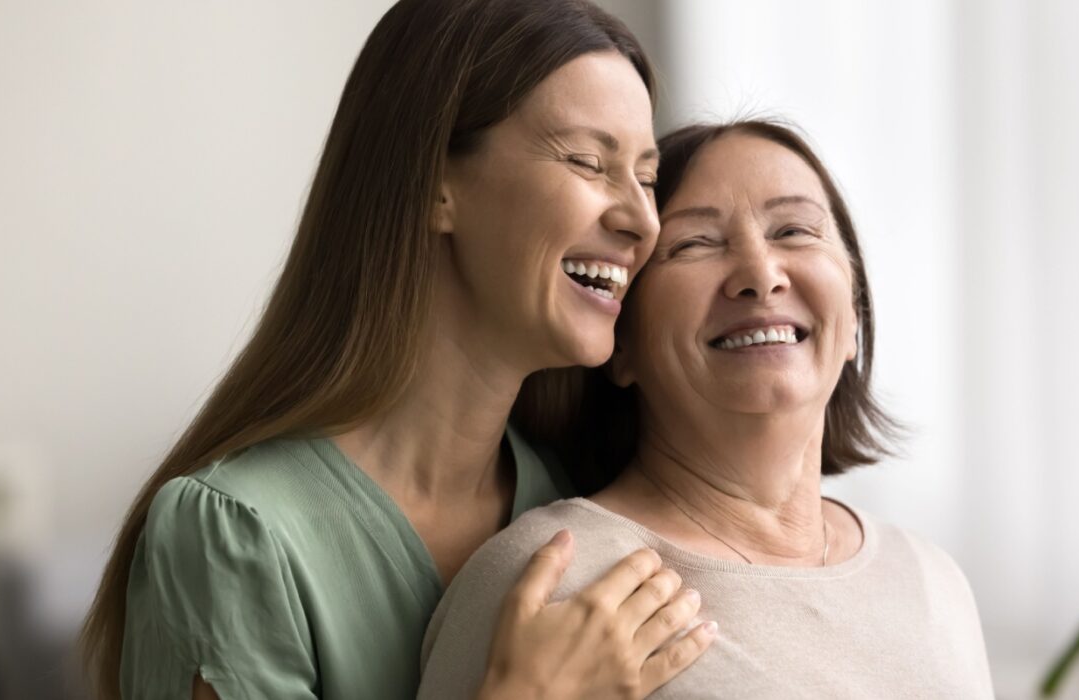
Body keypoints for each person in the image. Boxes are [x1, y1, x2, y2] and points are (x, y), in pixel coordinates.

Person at [80, 1, 718, 698]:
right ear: (434, 186)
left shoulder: (578, 503)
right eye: (589, 162)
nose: (640, 220)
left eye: (648, 179)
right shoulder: (237, 537)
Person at [419, 120, 995, 698]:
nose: (760, 276)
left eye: (794, 230)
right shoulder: (554, 576)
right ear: (620, 345)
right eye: (694, 243)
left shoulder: (933, 580)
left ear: (854, 318)